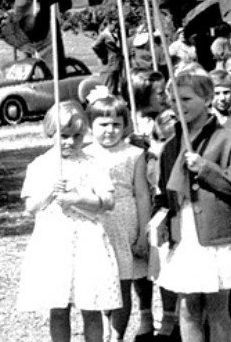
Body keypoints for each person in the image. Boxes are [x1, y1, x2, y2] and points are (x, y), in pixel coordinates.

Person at [155, 73, 231, 342]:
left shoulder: (227, 138)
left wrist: (206, 169)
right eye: (172, 100)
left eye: (186, 98)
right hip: (184, 234)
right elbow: (163, 193)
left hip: (216, 235)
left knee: (218, 307)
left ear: (208, 99)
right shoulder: (170, 145)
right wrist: (160, 220)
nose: (178, 105)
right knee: (187, 306)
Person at [16, 101, 122, 342]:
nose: (71, 142)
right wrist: (50, 193)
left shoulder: (92, 163)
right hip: (54, 240)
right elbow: (31, 207)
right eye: (64, 136)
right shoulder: (40, 165)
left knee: (91, 306)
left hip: (87, 239)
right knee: (59, 307)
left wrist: (79, 197)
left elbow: (108, 201)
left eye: (77, 136)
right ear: (51, 133)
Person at [83, 91, 152, 342]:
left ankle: (117, 335)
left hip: (126, 221)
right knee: (102, 281)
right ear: (91, 126)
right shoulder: (85, 154)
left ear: (125, 126)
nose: (110, 130)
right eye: (103, 124)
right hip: (97, 221)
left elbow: (142, 195)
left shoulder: (133, 154)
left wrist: (143, 232)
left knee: (124, 281)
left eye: (116, 125)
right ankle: (102, 327)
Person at [129, 69, 180, 341]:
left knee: (163, 258)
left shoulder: (169, 119)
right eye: (159, 93)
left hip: (162, 195)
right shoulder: (130, 121)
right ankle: (145, 314)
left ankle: (170, 317)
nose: (165, 97)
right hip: (139, 197)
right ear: (142, 95)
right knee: (141, 261)